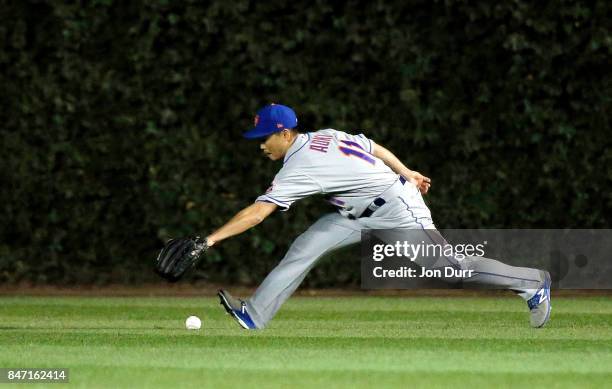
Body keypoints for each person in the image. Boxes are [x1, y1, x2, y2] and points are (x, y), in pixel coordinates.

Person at [207, 103, 551, 330]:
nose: (260, 144)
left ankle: (531, 283)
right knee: (304, 247)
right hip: (354, 214)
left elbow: (257, 214)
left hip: (396, 209)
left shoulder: (299, 165)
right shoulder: (324, 136)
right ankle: (253, 314)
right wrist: (407, 169)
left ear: (284, 134)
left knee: (448, 268)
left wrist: (209, 239)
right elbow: (373, 147)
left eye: (264, 137)